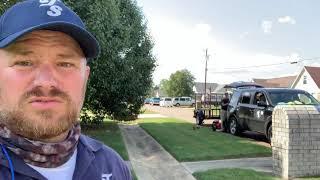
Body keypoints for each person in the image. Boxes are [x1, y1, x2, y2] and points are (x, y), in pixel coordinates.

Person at [0, 0, 132, 179]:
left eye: (65, 63)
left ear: (85, 78)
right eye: (24, 62)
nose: (46, 82)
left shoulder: (113, 166)